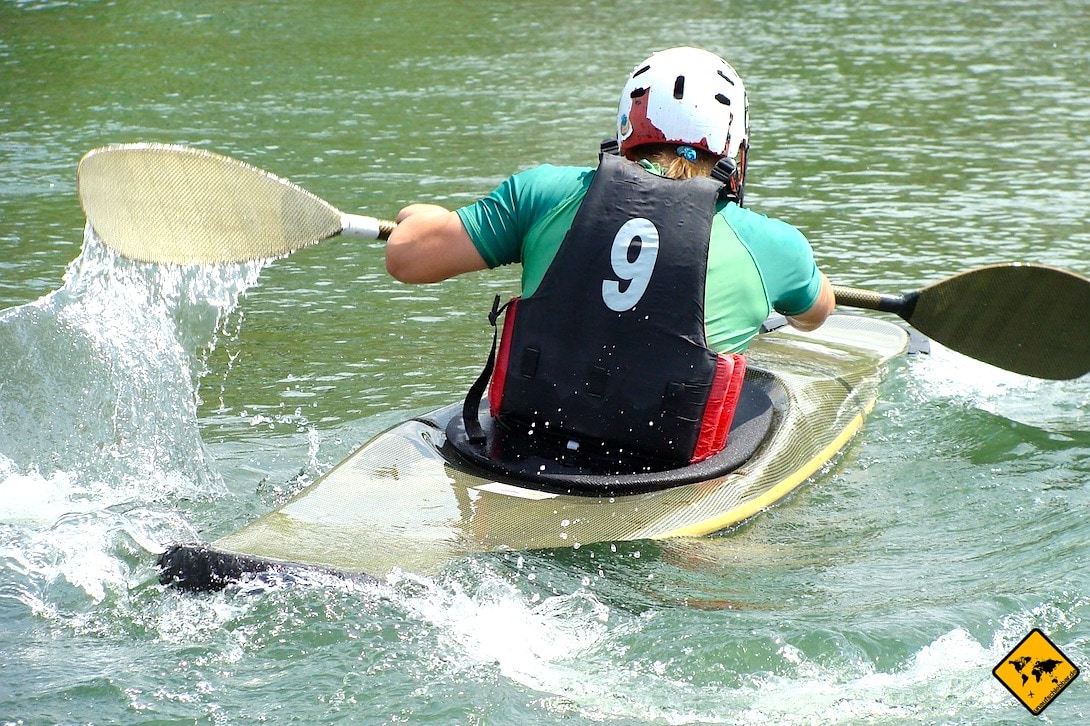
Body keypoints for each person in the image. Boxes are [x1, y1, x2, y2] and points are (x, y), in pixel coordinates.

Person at [385, 47, 835, 469]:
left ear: (626, 130)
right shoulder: (775, 245)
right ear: (734, 147)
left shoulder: (543, 193)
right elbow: (816, 314)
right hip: (666, 466)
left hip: (524, 438)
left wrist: (417, 217)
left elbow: (407, 259)